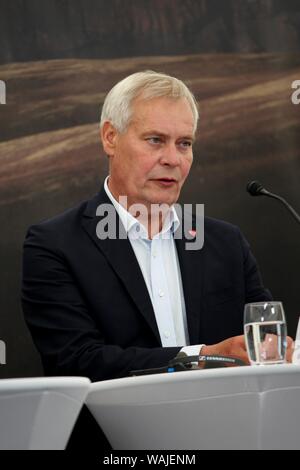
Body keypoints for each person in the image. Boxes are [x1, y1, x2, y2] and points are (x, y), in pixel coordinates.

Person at [21, 71, 293, 448]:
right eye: (155, 140)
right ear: (110, 138)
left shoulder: (225, 242)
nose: (172, 159)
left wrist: (274, 352)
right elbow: (78, 363)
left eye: (184, 143)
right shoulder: (54, 244)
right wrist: (203, 357)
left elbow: (265, 343)